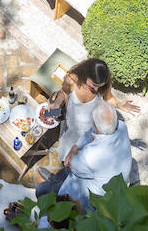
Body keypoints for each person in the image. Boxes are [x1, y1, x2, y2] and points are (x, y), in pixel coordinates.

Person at [36, 58, 137, 197]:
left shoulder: (101, 87)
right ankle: (57, 179)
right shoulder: (72, 79)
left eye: (100, 86)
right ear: (86, 74)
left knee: (79, 166)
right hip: (72, 129)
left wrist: (121, 105)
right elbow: (64, 92)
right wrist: (57, 103)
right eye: (94, 85)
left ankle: (60, 183)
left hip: (90, 133)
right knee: (67, 158)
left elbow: (108, 98)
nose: (96, 89)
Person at [52, 104, 136, 210]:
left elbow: (71, 164)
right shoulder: (121, 127)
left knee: (51, 188)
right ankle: (57, 180)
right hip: (114, 182)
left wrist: (72, 155)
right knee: (74, 168)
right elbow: (92, 132)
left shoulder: (90, 156)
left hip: (98, 196)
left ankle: (55, 185)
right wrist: (75, 147)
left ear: (94, 123)